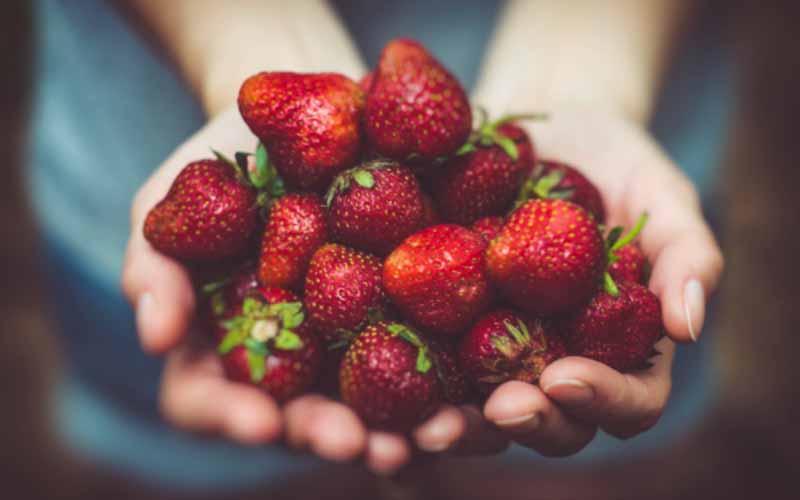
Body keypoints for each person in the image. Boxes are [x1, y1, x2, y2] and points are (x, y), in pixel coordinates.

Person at [29, 0, 725, 491]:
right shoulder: (340, 237)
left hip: (633, 60)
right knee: (213, 476)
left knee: (565, 473)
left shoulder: (482, 237)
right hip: (132, 126)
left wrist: (583, 77)